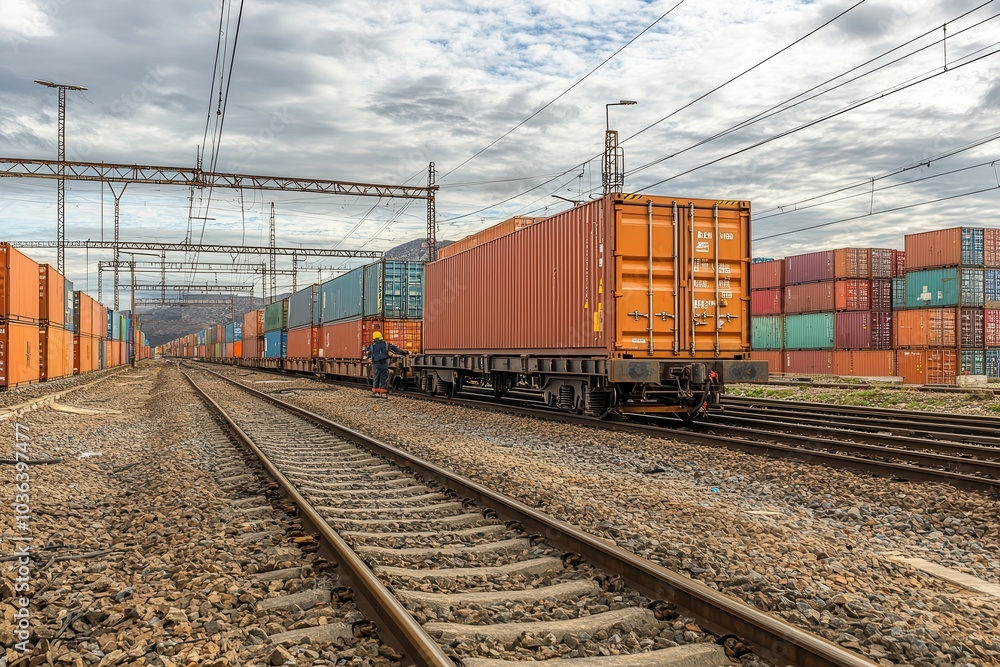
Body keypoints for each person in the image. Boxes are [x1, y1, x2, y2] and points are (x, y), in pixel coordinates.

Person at [366, 330, 408, 398]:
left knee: (376, 377)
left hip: (375, 364)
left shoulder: (372, 345)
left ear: (374, 338)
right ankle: (383, 393)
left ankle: (376, 392)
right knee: (384, 377)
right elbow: (396, 349)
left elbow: (368, 353)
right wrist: (405, 352)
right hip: (384, 363)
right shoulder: (386, 344)